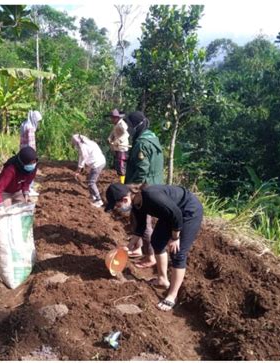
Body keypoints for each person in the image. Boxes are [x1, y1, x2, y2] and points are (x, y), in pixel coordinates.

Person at [105, 182, 203, 312]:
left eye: (117, 205)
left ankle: (172, 296)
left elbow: (177, 215)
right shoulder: (136, 204)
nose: (118, 208)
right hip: (171, 214)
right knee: (157, 241)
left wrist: (175, 238)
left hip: (188, 211)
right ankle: (162, 280)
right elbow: (140, 228)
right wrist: (127, 247)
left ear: (125, 199)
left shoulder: (152, 196)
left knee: (177, 253)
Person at [124, 111, 164, 269]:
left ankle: (150, 256)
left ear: (136, 126)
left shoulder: (142, 143)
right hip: (154, 184)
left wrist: (132, 191)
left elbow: (142, 170)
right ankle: (138, 247)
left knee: (144, 222)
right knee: (137, 218)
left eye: (129, 126)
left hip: (144, 188)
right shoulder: (152, 138)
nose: (128, 129)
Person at [71, 134, 106, 208]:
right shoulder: (91, 143)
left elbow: (83, 157)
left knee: (91, 182)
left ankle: (98, 200)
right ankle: (92, 196)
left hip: (97, 164)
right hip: (101, 161)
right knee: (89, 180)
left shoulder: (83, 146)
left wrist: (78, 170)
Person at [19, 110, 43, 197]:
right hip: (29, 152)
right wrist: (33, 156)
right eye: (37, 121)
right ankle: (28, 188)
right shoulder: (30, 128)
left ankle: (24, 188)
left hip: (23, 150)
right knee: (30, 171)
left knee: (24, 170)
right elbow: (31, 143)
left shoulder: (24, 124)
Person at [107, 109, 130, 184]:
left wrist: (118, 141)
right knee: (117, 164)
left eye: (113, 118)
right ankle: (120, 180)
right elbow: (113, 132)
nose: (111, 119)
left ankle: (122, 182)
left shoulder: (122, 124)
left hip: (122, 148)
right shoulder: (116, 124)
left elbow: (126, 134)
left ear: (117, 118)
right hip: (117, 148)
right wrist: (110, 138)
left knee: (121, 165)